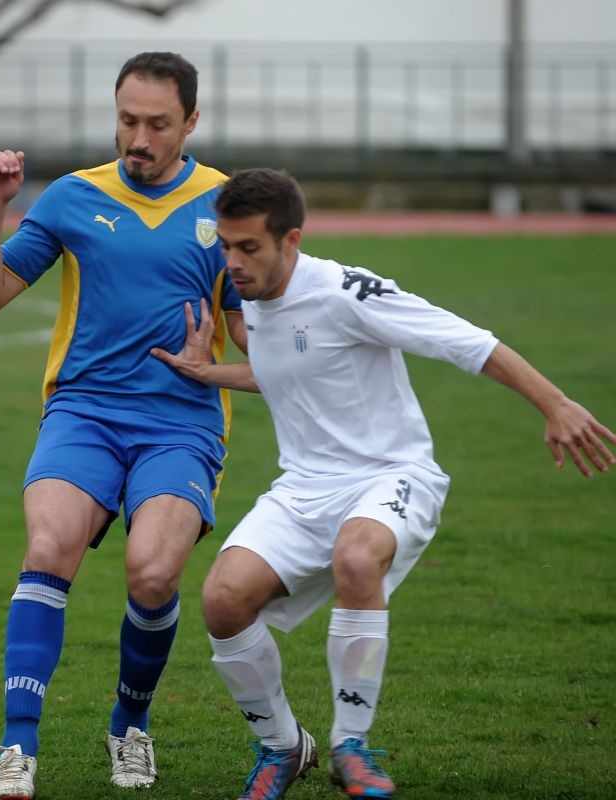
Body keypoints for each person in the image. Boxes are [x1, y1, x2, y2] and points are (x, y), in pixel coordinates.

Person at [150, 167, 616, 799]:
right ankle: (284, 748)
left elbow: (468, 342)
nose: (233, 263)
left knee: (357, 557)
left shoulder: (347, 292)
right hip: (304, 486)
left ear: (291, 241)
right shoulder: (257, 299)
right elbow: (292, 371)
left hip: (392, 474)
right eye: (225, 247)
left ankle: (351, 746)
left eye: (249, 248)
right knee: (223, 600)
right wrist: (213, 374)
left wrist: (555, 404)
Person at [0, 52, 246, 798]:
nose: (139, 138)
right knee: (48, 544)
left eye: (157, 124)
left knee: (153, 572)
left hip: (181, 424)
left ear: (191, 121)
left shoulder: (227, 206)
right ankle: (16, 747)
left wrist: (228, 351)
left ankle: (130, 724)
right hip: (83, 414)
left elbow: (259, 342)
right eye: (127, 120)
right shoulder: (71, 197)